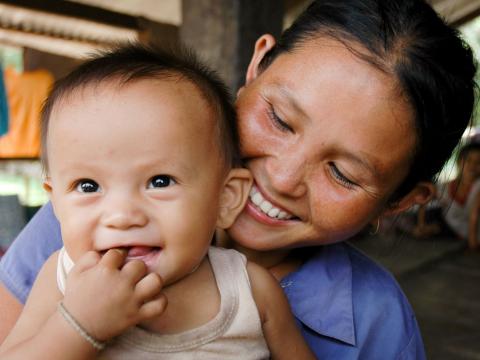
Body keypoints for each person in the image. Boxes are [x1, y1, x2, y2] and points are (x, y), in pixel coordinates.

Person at [0, 0, 477, 358]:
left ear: (399, 202)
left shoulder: (376, 323)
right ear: (257, 65)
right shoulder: (90, 225)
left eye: (343, 174)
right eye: (280, 119)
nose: (283, 177)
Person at [0, 44, 314, 359]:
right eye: (88, 185)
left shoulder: (250, 291)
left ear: (225, 198)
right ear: (55, 202)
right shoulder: (62, 278)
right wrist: (79, 326)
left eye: (159, 182)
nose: (122, 216)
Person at [413, 142, 480, 250]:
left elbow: (474, 216)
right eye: (469, 160)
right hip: (449, 225)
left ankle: (432, 229)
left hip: (470, 231)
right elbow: (424, 198)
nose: (473, 165)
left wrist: (472, 243)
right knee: (420, 222)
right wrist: (422, 225)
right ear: (459, 162)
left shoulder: (478, 186)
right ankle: (429, 228)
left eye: (478, 162)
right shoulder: (444, 187)